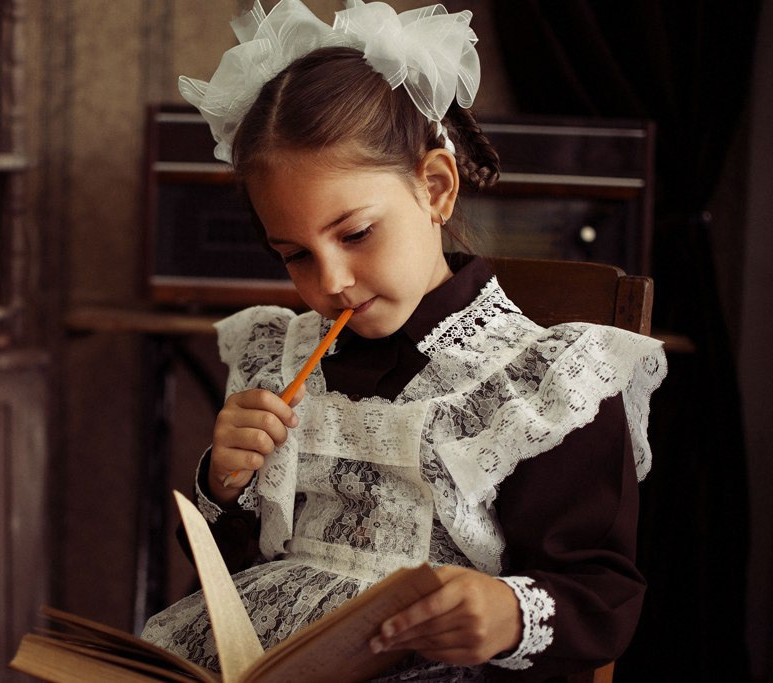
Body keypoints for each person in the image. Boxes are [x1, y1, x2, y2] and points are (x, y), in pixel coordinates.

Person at [140, 1, 667, 680]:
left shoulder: (543, 383)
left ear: (436, 188)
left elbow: (603, 594)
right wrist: (226, 482)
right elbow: (236, 575)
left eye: (356, 233)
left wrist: (506, 610)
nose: (330, 281)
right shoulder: (280, 354)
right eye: (294, 253)